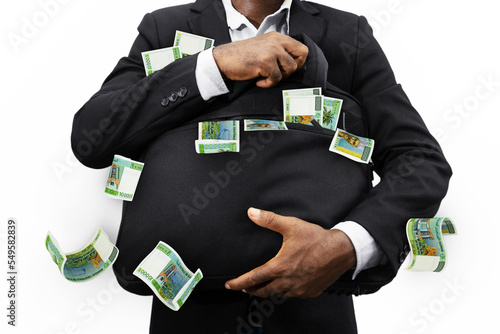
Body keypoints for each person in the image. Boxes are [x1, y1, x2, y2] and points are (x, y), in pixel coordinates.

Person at [71, 0, 452, 333]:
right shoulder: (165, 28)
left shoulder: (346, 33)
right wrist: (213, 65)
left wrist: (347, 245)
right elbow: (93, 137)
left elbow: (419, 160)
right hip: (189, 318)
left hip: (316, 319)